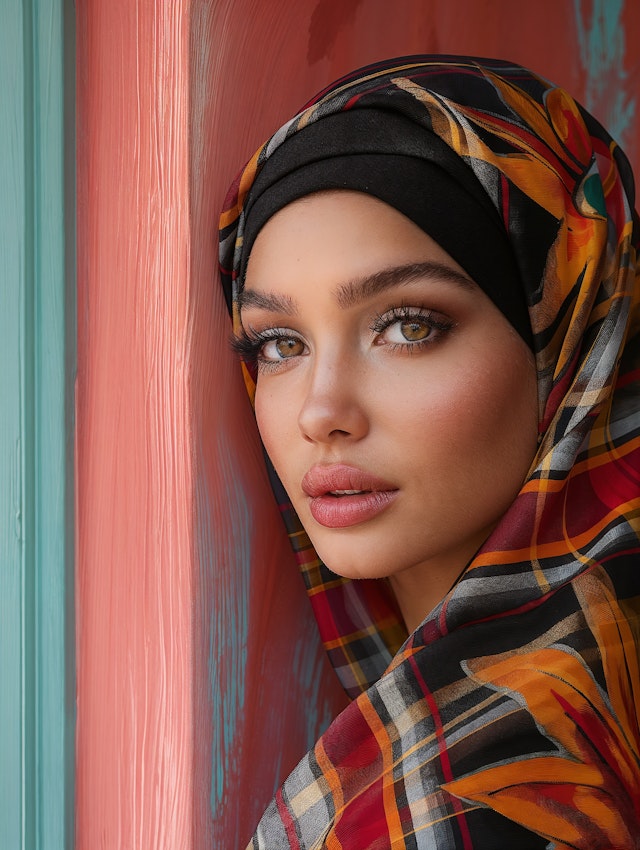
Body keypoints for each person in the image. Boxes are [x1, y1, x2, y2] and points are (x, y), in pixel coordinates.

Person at [218, 55, 640, 849]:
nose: (321, 412)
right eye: (279, 343)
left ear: (570, 340)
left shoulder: (506, 796)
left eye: (409, 326)